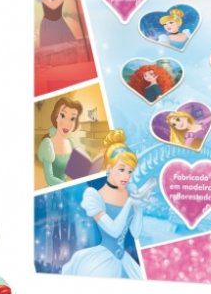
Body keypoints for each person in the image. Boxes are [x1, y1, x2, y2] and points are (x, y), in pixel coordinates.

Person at [60, 130, 152, 279]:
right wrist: (130, 203)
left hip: (124, 260)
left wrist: (138, 207)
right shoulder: (94, 196)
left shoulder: (130, 190)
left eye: (130, 171)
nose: (126, 176)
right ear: (109, 168)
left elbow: (135, 233)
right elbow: (114, 230)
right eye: (121, 169)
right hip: (103, 260)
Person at [37, 96, 82, 186]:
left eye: (72, 119)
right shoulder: (47, 144)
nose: (67, 123)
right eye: (63, 116)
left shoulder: (71, 143)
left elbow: (74, 172)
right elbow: (50, 179)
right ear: (56, 117)